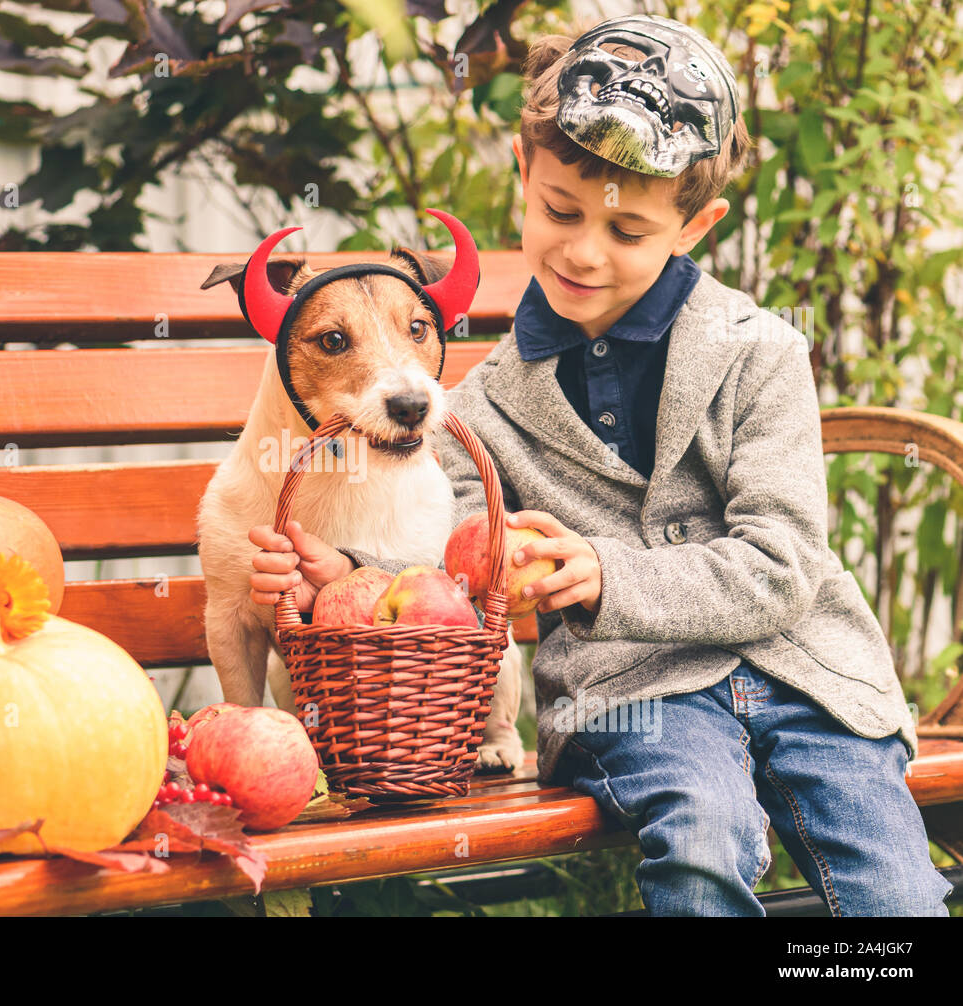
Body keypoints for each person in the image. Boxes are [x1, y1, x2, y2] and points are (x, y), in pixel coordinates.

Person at [246, 14, 952, 916]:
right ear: (523, 176)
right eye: (561, 211)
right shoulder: (487, 402)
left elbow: (783, 566)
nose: (583, 250)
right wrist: (343, 572)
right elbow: (453, 560)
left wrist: (605, 571)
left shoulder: (759, 352)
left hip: (811, 678)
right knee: (701, 841)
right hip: (635, 696)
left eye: (628, 231)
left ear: (695, 224)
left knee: (891, 893)